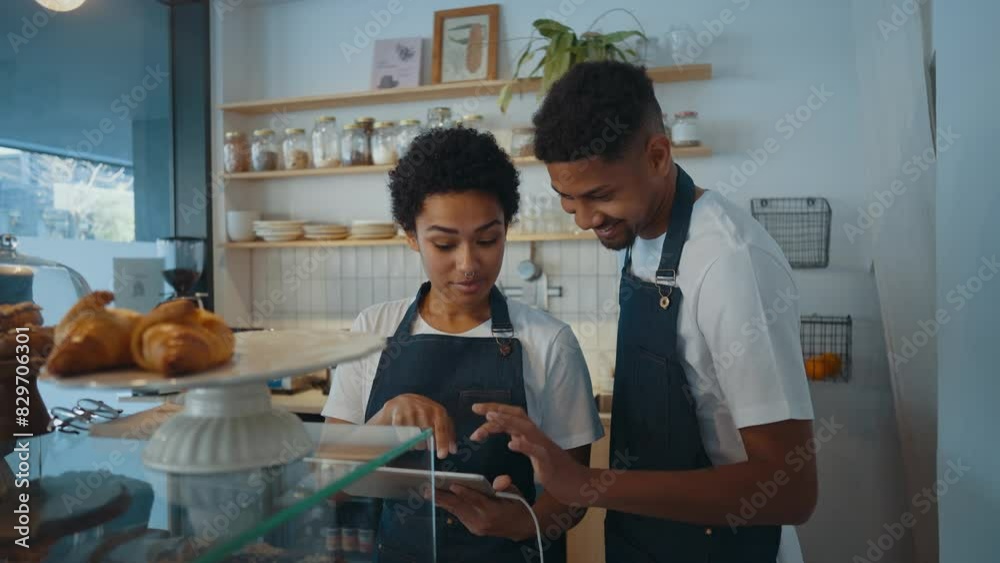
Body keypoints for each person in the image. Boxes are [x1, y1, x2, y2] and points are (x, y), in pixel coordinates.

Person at [471, 61, 818, 563]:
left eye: (600, 196)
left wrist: (586, 485)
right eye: (567, 199)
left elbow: (791, 489)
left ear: (658, 156)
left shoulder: (731, 265)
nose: (586, 220)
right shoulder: (641, 237)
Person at [322, 127, 604, 562]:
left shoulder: (550, 343)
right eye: (444, 243)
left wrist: (514, 523)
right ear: (411, 235)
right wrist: (381, 425)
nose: (469, 264)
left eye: (488, 240)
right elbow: (327, 487)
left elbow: (575, 496)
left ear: (506, 228)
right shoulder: (372, 329)